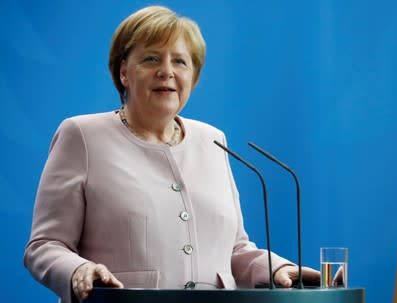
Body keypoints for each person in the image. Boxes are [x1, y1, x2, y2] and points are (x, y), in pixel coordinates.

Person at [24, 6, 320, 303]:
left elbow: (234, 249)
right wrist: (78, 270)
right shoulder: (82, 136)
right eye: (151, 58)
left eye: (180, 61)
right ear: (123, 72)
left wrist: (275, 268)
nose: (167, 71)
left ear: (192, 77)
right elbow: (45, 245)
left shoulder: (213, 140)